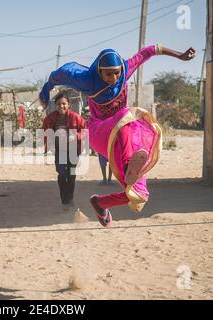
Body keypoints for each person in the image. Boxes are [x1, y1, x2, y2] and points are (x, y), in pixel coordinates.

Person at [39, 44, 195, 227]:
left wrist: (179, 55)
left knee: (139, 195)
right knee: (126, 116)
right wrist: (46, 88)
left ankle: (101, 204)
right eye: (108, 74)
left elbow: (150, 50)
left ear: (121, 69)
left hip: (123, 136)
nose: (113, 78)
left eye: (116, 73)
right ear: (99, 71)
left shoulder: (126, 69)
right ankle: (129, 162)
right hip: (101, 132)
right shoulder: (87, 80)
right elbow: (60, 73)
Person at [42, 92, 86, 210]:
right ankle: (64, 200)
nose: (61, 106)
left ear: (68, 104)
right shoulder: (51, 118)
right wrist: (48, 143)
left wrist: (76, 136)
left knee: (71, 175)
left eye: (64, 104)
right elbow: (45, 130)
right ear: (55, 106)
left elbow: (85, 132)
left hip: (73, 151)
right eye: (58, 104)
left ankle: (69, 199)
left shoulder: (76, 117)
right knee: (62, 174)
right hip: (59, 151)